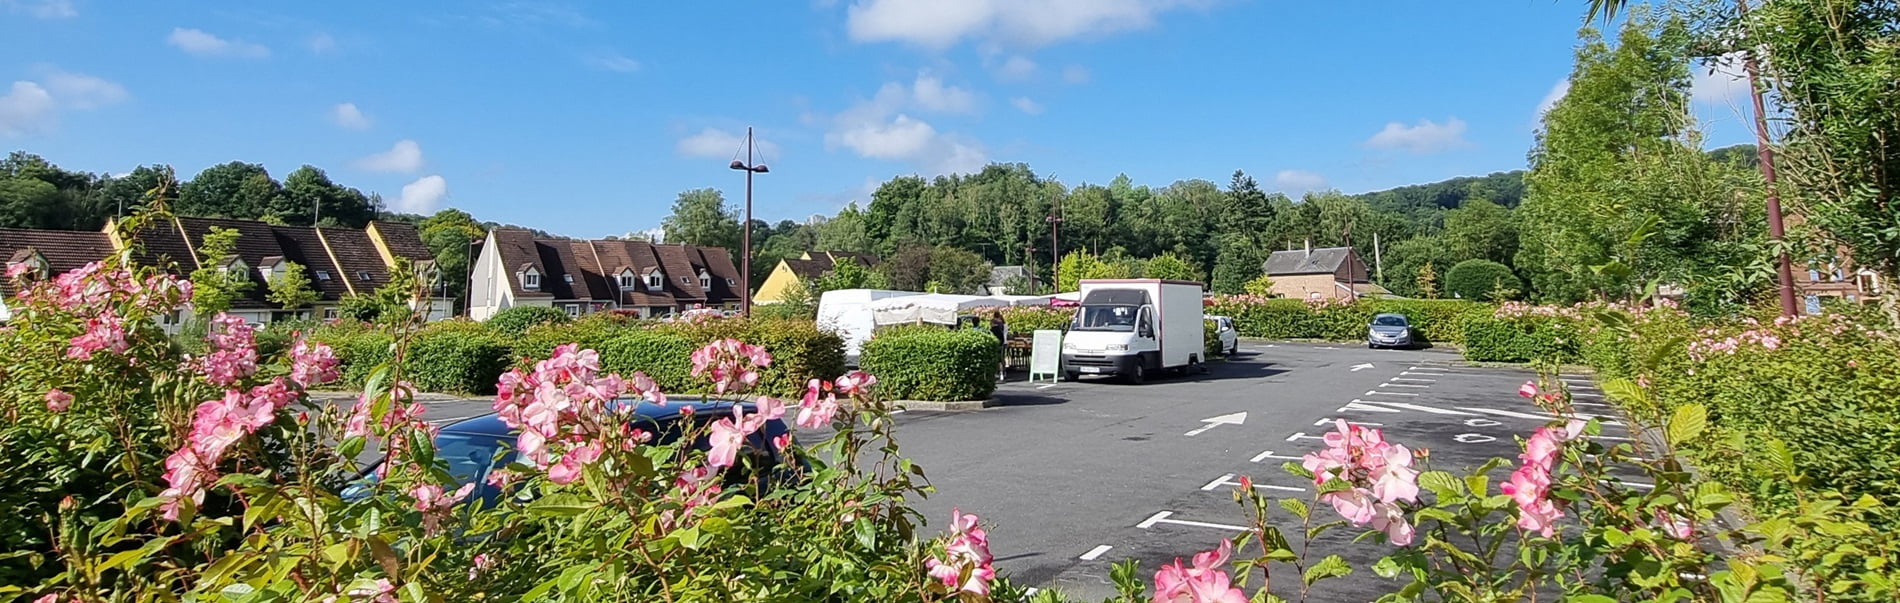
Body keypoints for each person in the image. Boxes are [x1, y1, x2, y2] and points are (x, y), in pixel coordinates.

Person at [990, 311, 1008, 381]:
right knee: (1002, 358)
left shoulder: (996, 326)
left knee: (998, 358)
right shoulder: (1003, 324)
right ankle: (1003, 372)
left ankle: (999, 372)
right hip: (1003, 342)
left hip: (998, 342)